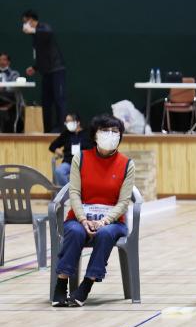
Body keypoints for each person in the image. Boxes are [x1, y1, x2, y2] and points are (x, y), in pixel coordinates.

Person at [53, 115, 135, 307]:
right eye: (105, 131)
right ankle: (61, 283)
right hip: (80, 218)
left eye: (115, 132)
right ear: (95, 135)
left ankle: (86, 286)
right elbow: (74, 193)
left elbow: (124, 202)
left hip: (112, 223)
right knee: (73, 231)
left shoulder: (126, 164)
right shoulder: (80, 158)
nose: (111, 135)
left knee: (105, 234)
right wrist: (83, 219)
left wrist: (104, 221)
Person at [21, 10, 66, 133]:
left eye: (25, 22)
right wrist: (35, 67)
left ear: (31, 20)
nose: (24, 25)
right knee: (46, 102)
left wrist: (34, 30)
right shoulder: (35, 37)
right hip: (46, 72)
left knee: (59, 99)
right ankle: (47, 129)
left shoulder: (43, 28)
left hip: (56, 70)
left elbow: (49, 32)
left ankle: (61, 128)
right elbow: (41, 55)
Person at [48, 112, 89, 186]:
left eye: (69, 121)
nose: (67, 123)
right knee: (59, 171)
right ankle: (69, 193)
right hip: (69, 162)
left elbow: (93, 148)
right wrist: (58, 150)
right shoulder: (66, 134)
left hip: (85, 163)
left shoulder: (87, 134)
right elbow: (52, 146)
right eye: (66, 122)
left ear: (78, 122)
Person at [0, 52, 21, 133]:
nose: (2, 62)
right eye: (0, 60)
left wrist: (4, 87)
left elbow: (14, 87)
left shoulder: (14, 73)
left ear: (8, 62)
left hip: (9, 98)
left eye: (4, 60)